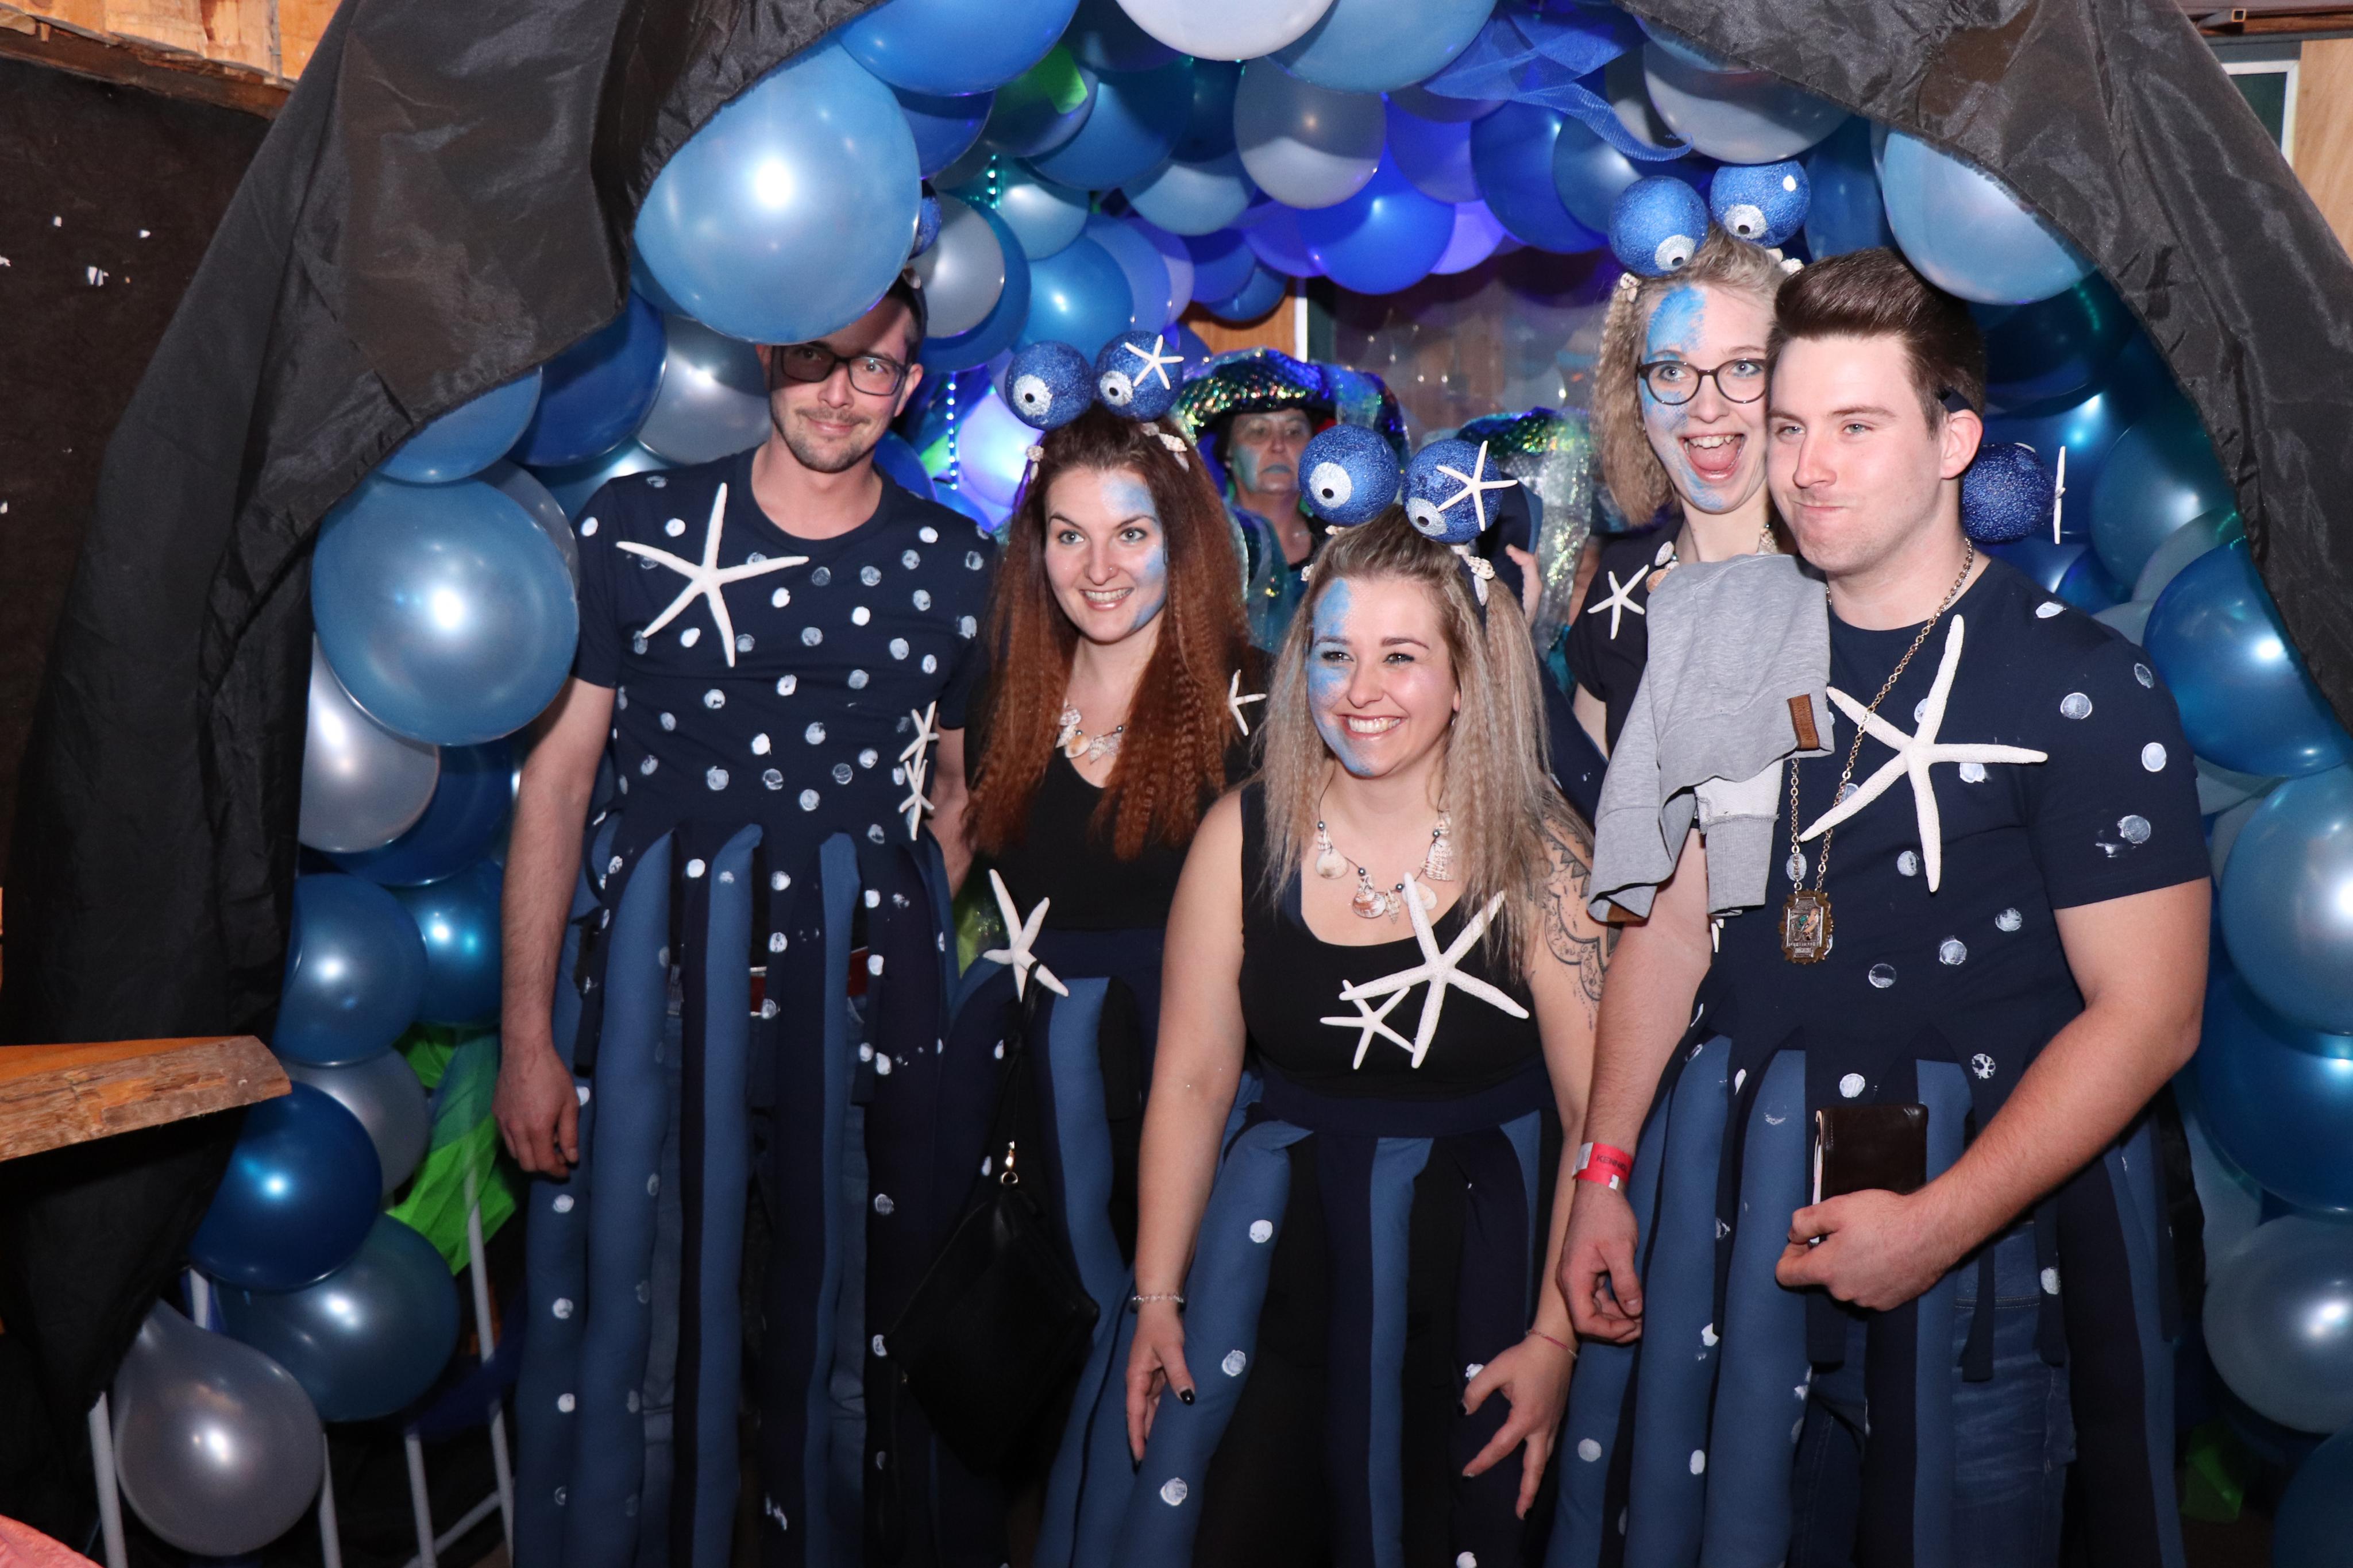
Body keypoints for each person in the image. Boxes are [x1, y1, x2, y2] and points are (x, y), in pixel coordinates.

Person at [1553, 250, 2208, 1567]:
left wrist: (1937, 1227)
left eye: (1856, 427)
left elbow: (2150, 1017)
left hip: (1980, 1256)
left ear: (1953, 439)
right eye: (1790, 426)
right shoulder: (1723, 631)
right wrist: (1604, 1173)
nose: (1808, 466)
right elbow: (1671, 925)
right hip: (1728, 1209)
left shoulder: (2082, 685)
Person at [495, 275, 1007, 1567]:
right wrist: (526, 1040)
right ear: (770, 356)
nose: (842, 393)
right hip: (658, 1025)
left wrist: (896, 949)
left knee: (851, 1361)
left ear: (911, 386)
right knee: (647, 1358)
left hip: (862, 1036)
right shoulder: (639, 527)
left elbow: (964, 794)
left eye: (875, 367)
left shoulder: (956, 566)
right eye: (818, 359)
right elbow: (559, 784)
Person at [1113, 505, 1613, 1566]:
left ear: (1466, 676)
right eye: (1336, 654)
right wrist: (1155, 1296)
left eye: (1401, 656)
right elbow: (1192, 1083)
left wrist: (1554, 1339)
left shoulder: (1543, 858)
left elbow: (1592, 1118)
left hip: (1483, 1265)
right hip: (1280, 1264)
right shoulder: (1239, 836)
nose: (1360, 690)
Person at [944, 392, 1263, 1558]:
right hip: (1042, 1109)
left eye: (1129, 534)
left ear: (1181, 538)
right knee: (1068, 1367)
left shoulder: (1256, 702)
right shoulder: (1002, 700)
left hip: (1203, 1100)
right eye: (1067, 535)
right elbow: (965, 899)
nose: (1097, 568)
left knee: (1181, 1378)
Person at [1567, 231, 1792, 755]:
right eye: (1672, 371)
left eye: (1744, 367)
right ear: (1635, 396)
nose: (1706, 409)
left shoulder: (1838, 580)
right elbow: (1586, 796)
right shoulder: (1619, 583)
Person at [1172, 348, 1408, 650]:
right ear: (1227, 452)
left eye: (1294, 432)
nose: (1278, 446)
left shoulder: (1344, 549)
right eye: (1258, 432)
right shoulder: (1198, 546)